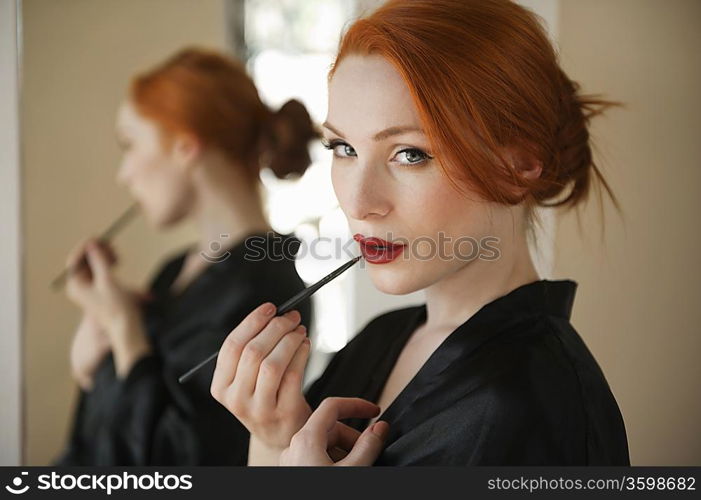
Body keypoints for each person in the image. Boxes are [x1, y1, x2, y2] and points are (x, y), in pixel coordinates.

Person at [209, 0, 630, 466]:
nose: (359, 201)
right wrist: (273, 436)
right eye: (344, 147)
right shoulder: (381, 338)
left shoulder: (532, 405)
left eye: (410, 154)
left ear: (519, 166)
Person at [54, 48, 315, 465]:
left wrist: (123, 330)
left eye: (130, 144)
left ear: (183, 145)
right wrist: (93, 363)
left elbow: (181, 460)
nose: (125, 173)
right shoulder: (176, 270)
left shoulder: (268, 291)